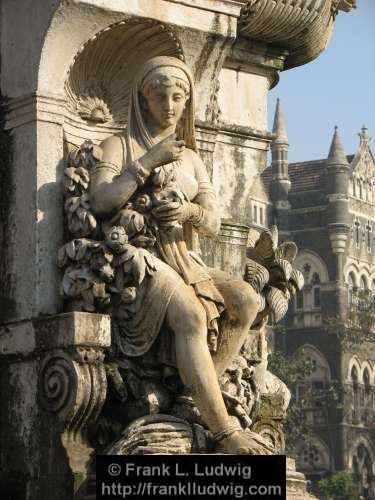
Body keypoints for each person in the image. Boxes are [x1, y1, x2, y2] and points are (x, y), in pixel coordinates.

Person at [89, 56, 272, 454]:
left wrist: (188, 211)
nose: (169, 106)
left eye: (177, 98)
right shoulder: (117, 145)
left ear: (187, 102)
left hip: (186, 257)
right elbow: (101, 201)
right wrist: (148, 163)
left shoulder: (191, 157)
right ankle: (224, 432)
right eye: (160, 97)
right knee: (190, 313)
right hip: (136, 258)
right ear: (143, 98)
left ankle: (193, 399)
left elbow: (214, 222)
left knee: (246, 299)